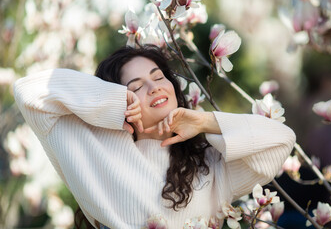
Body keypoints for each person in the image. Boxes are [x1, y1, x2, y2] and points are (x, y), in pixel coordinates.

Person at [13, 45, 296, 228]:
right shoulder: (94, 152)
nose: (153, 87)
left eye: (159, 77)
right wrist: (112, 103)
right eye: (135, 86)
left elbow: (281, 141)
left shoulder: (209, 164)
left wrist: (205, 121)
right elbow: (28, 93)